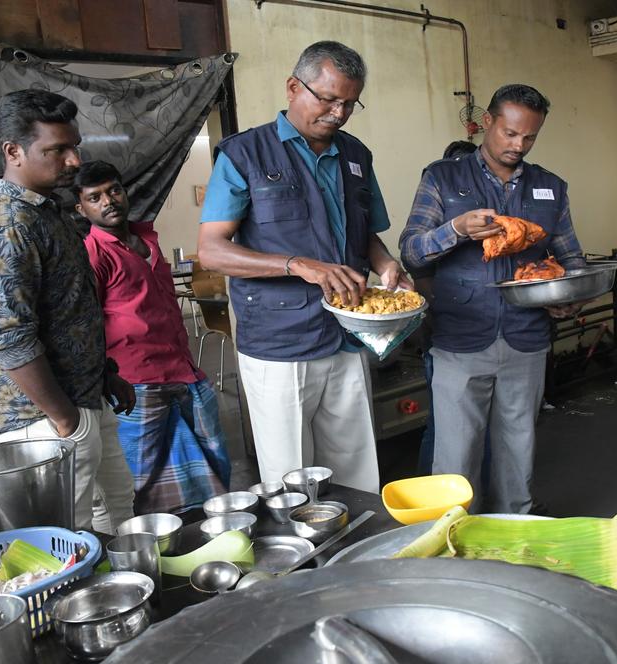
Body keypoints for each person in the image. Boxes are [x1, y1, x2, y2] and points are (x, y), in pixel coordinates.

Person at [197, 41, 410, 493]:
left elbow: (365, 234)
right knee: (293, 478)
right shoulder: (244, 155)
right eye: (327, 99)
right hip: (280, 343)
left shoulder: (356, 156)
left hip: (349, 335)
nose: (338, 113)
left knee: (356, 467)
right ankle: (303, 562)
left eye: (349, 103)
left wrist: (386, 263)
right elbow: (212, 251)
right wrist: (298, 265)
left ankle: (354, 558)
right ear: (294, 87)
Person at [400, 84, 586, 514]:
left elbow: (571, 257)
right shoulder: (443, 178)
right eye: (509, 133)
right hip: (460, 338)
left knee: (517, 451)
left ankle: (512, 532)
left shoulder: (550, 188)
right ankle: (453, 542)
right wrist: (457, 230)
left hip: (527, 337)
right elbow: (410, 249)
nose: (518, 145)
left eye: (529, 137)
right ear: (488, 122)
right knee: (455, 457)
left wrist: (568, 296)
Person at [0, 89, 136, 533]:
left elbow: (68, 310)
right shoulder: (5, 226)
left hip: (82, 398)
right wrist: (65, 420)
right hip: (40, 417)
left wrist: (104, 376)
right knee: (66, 535)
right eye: (57, 150)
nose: (74, 161)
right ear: (13, 151)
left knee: (117, 509)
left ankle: (127, 593)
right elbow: (7, 338)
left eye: (73, 146)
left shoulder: (46, 213)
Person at [74, 160, 231, 515]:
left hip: (185, 372)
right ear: (80, 208)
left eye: (114, 190)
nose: (108, 201)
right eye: (94, 197)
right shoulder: (93, 255)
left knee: (214, 463)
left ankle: (213, 537)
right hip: (137, 384)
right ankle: (162, 552)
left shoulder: (147, 239)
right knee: (142, 480)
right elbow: (88, 322)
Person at [414, 139, 483, 476]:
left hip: (483, 338)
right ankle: (433, 504)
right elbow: (416, 265)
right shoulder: (436, 218)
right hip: (445, 338)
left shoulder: (486, 219)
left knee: (479, 427)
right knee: (442, 425)